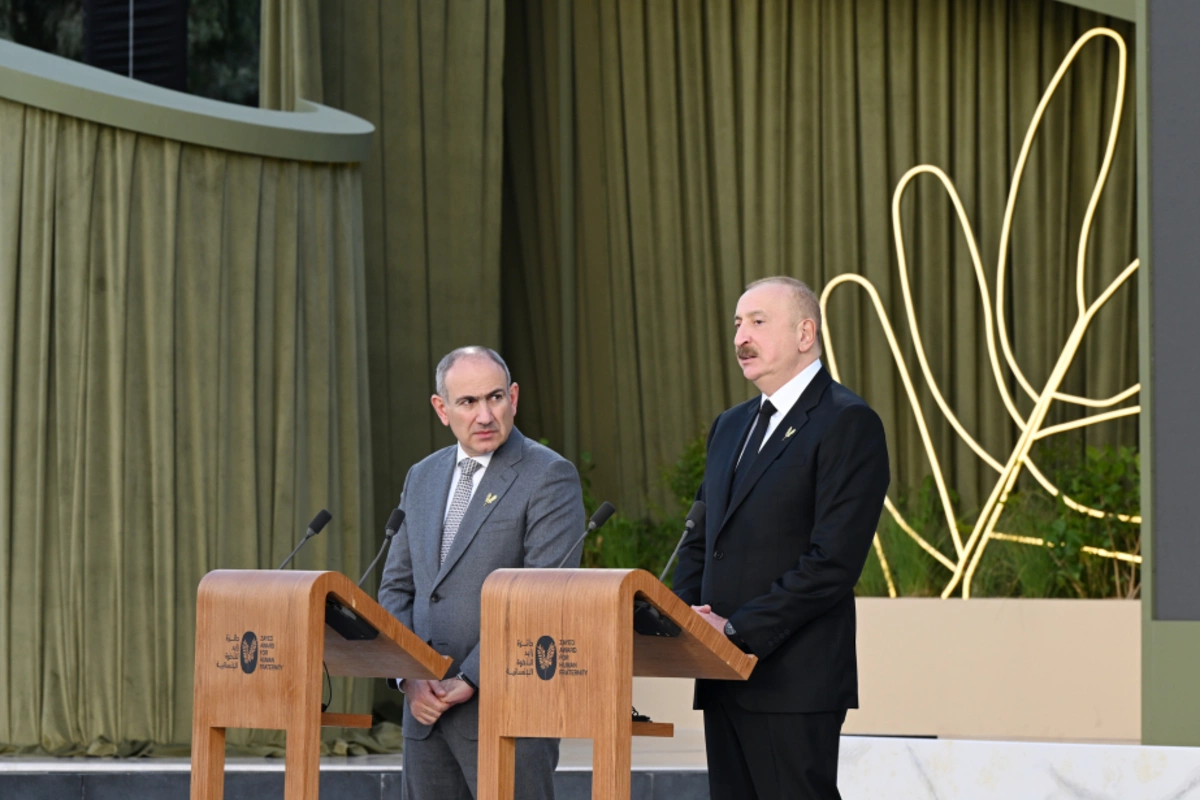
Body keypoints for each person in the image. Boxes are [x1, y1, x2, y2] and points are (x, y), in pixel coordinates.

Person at [673, 277, 890, 800]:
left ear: (805, 333)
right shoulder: (730, 426)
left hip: (794, 683)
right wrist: (683, 619)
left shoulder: (847, 422)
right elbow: (701, 537)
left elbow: (832, 563)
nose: (740, 337)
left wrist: (737, 630)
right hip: (722, 676)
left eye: (757, 322)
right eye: (737, 324)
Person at [378, 346, 585, 800]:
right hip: (424, 714)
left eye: (495, 397)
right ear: (442, 409)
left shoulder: (549, 475)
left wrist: (470, 678)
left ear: (514, 397)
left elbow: (543, 598)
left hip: (507, 713)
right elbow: (397, 587)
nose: (485, 415)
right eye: (468, 402)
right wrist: (408, 676)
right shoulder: (422, 476)